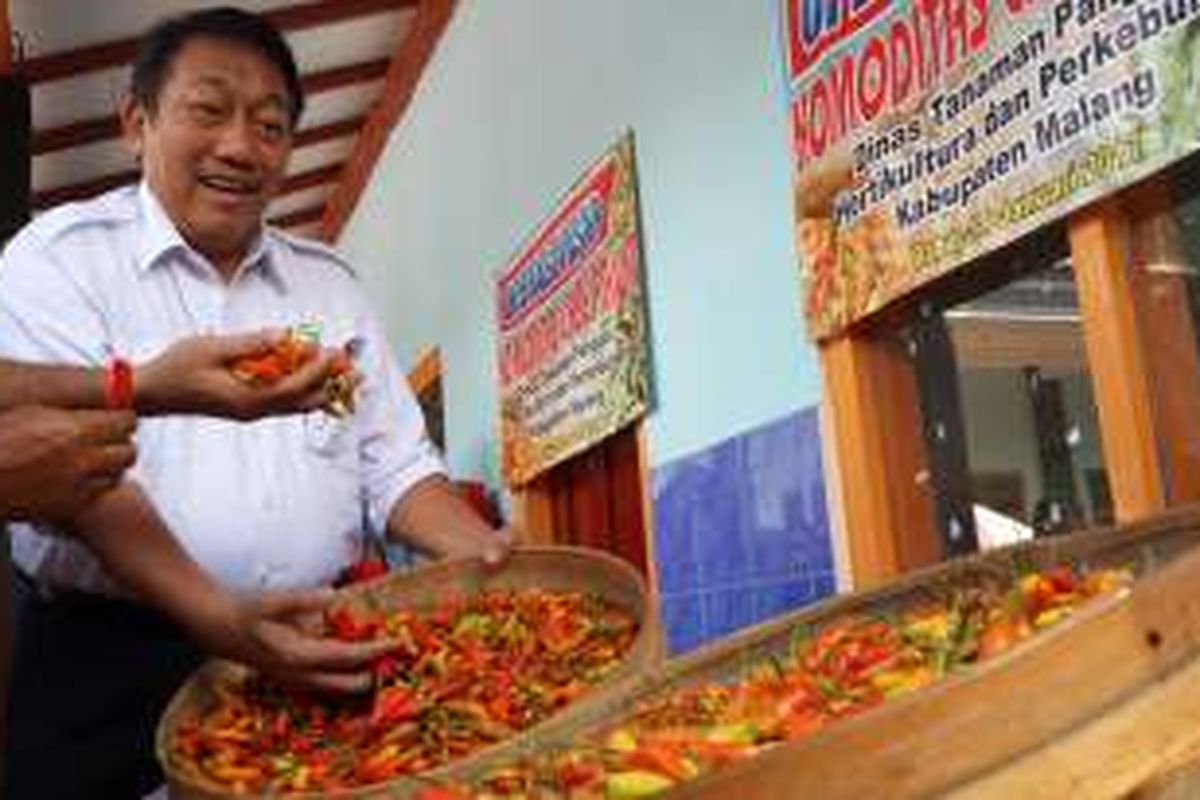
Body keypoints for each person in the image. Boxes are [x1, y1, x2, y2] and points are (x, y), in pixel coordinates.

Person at [0, 7, 508, 798]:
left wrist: (492, 561)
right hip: (108, 663)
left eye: (271, 126)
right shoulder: (60, 259)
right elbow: (77, 476)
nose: (240, 146)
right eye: (209, 110)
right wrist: (220, 621)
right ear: (137, 122)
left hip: (313, 647)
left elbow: (396, 466)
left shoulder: (328, 284)